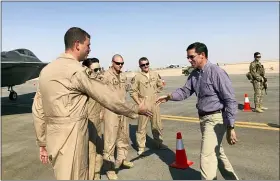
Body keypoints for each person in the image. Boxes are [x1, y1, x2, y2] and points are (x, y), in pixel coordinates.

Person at [32, 27, 152, 180]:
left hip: (53, 139)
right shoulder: (77, 71)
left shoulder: (46, 71)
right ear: (77, 45)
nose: (90, 49)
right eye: (88, 45)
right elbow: (107, 97)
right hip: (72, 138)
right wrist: (135, 109)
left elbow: (38, 109)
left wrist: (42, 142)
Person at [156, 42, 239, 180]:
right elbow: (185, 91)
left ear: (202, 55)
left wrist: (231, 126)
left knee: (206, 157)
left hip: (216, 119)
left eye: (191, 57)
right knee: (217, 153)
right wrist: (169, 96)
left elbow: (230, 100)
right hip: (204, 119)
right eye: (188, 57)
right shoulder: (194, 75)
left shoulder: (216, 72)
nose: (189, 60)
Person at [102, 54, 134, 180]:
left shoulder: (123, 75)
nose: (120, 65)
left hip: (122, 110)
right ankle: (109, 169)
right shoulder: (105, 76)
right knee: (110, 141)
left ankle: (122, 160)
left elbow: (128, 89)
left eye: (122, 63)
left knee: (123, 137)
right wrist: (101, 112)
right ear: (112, 62)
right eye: (117, 63)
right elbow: (100, 95)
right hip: (111, 112)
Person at [129, 57, 167, 156]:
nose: (145, 66)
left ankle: (159, 144)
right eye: (143, 65)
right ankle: (141, 147)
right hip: (144, 103)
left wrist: (159, 89)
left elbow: (160, 85)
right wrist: (139, 104)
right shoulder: (137, 77)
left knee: (157, 124)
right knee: (141, 127)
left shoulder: (154, 74)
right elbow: (133, 92)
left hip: (154, 102)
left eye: (147, 64)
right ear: (140, 66)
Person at [82, 57, 104, 180]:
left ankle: (96, 174)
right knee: (90, 152)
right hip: (87, 122)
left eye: (100, 69)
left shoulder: (97, 82)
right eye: (96, 70)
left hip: (97, 121)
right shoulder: (82, 85)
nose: (99, 72)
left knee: (99, 149)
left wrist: (102, 111)